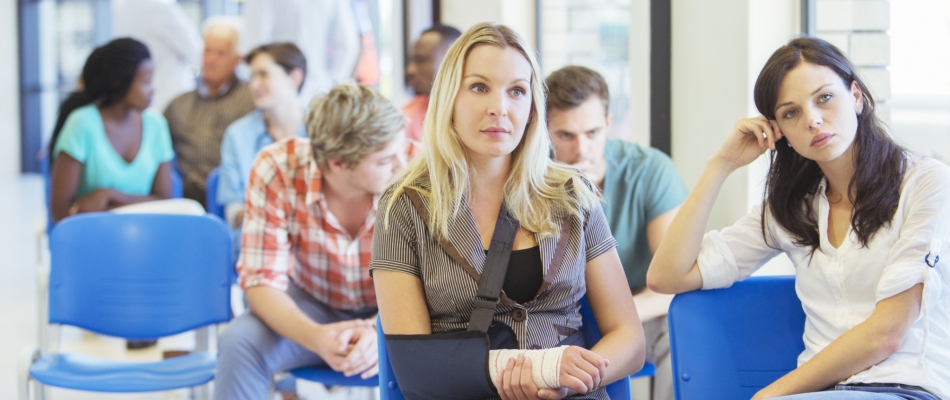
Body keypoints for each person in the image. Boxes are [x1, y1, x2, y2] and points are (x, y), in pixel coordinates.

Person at [647, 37, 950, 399]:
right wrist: (721, 165)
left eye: (824, 98)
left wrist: (768, 395)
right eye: (791, 113)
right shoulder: (791, 208)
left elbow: (888, 333)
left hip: (907, 388)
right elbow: (667, 275)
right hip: (822, 392)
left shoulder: (926, 183)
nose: (813, 120)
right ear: (780, 131)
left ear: (855, 96)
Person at [372, 23, 645, 400]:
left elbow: (629, 339)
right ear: (449, 97)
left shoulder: (572, 195)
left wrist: (572, 379)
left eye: (517, 91)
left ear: (533, 107)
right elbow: (415, 367)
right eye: (479, 87)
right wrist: (538, 370)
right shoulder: (403, 206)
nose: (499, 108)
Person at [214, 82, 408, 399]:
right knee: (240, 341)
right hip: (311, 304)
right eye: (386, 160)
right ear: (338, 164)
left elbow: (432, 283)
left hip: (396, 306)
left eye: (400, 150)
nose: (402, 164)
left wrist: (380, 330)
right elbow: (261, 280)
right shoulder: (277, 167)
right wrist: (316, 337)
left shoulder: (415, 166)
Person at [545, 65, 687, 400]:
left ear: (609, 124)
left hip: (639, 311)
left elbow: (675, 281)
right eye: (566, 135)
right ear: (546, 133)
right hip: (560, 314)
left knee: (680, 331)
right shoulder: (531, 182)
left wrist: (618, 318)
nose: (582, 149)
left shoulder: (650, 171)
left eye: (593, 133)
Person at [49, 38, 174, 225]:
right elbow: (60, 210)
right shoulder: (82, 123)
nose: (152, 90)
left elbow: (165, 200)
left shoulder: (156, 124)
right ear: (118, 81)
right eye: (146, 81)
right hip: (92, 236)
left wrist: (112, 196)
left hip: (144, 234)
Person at [164, 17, 255, 206]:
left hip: (238, 197)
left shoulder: (252, 99)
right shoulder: (179, 104)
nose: (211, 60)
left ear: (237, 60)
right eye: (207, 51)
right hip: (187, 199)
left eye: (221, 53)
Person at [218, 43, 307, 230]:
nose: (254, 84)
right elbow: (233, 213)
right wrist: (270, 213)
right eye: (252, 76)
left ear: (294, 78)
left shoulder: (322, 130)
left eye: (263, 74)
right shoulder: (238, 135)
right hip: (257, 239)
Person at [241, 0, 360, 100]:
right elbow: (347, 46)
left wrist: (258, 78)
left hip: (276, 87)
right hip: (318, 87)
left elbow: (254, 42)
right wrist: (332, 84)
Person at [112, 0, 202, 111]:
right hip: (169, 97)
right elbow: (195, 51)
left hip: (137, 97)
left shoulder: (122, 7)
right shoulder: (161, 7)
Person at [402, 24, 462, 142]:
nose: (410, 70)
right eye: (411, 60)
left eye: (421, 60)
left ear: (452, 62)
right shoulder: (405, 116)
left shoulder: (478, 113)